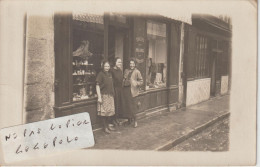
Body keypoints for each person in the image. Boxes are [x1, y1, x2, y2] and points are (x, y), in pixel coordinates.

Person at [122, 58, 143, 128]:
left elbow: (141, 81)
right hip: (126, 90)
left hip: (133, 91)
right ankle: (129, 120)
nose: (131, 65)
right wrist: (124, 80)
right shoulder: (126, 70)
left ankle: (135, 121)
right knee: (127, 107)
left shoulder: (137, 72)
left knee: (133, 107)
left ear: (135, 64)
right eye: (130, 63)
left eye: (133, 64)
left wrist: (136, 83)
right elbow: (124, 78)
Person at [96, 61, 116, 134]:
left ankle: (108, 126)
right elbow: (97, 85)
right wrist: (99, 97)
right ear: (103, 67)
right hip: (104, 95)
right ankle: (105, 127)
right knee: (104, 113)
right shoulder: (100, 74)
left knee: (109, 112)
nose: (107, 68)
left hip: (110, 95)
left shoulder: (110, 74)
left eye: (108, 66)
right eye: (105, 66)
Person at [110, 57, 123, 126]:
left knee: (118, 105)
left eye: (120, 62)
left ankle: (116, 118)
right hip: (114, 89)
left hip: (120, 89)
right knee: (114, 104)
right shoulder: (112, 70)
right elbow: (111, 81)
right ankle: (113, 119)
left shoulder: (120, 70)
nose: (120, 63)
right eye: (118, 62)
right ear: (115, 62)